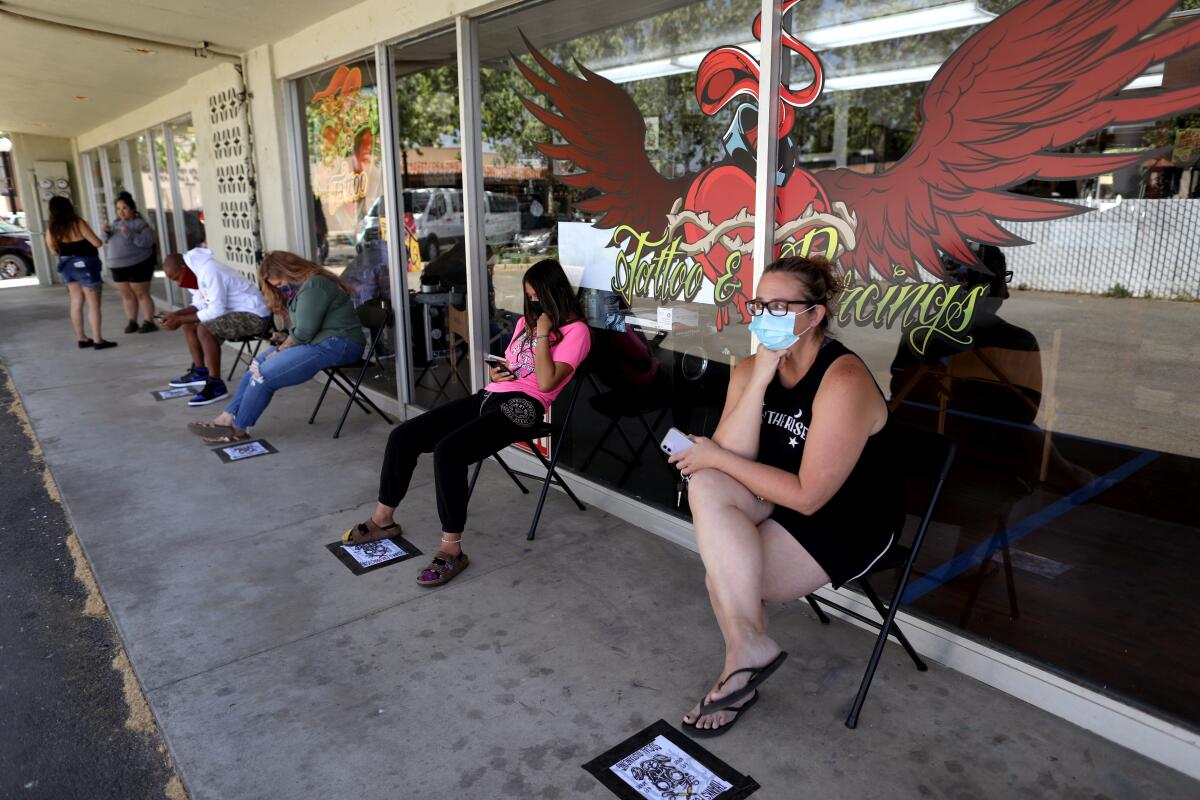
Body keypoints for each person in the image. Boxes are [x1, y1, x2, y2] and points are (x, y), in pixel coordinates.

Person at [668, 255, 903, 737]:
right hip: (775, 492)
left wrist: (717, 458)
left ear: (814, 315)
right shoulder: (754, 367)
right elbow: (728, 458)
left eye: (778, 306)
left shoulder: (843, 380)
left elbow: (810, 497)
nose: (762, 316)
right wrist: (759, 378)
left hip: (846, 516)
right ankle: (748, 652)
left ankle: (740, 669)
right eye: (758, 304)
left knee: (726, 579)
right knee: (708, 483)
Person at [342, 259, 590, 587]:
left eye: (535, 296)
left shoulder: (577, 333)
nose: (531, 303)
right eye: (528, 296)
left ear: (553, 294)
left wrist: (543, 335)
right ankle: (383, 520)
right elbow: (515, 366)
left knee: (450, 452)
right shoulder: (524, 324)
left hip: (525, 407)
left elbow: (545, 383)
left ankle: (451, 548)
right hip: (489, 396)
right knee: (404, 435)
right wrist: (497, 371)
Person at [188, 251, 365, 444]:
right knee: (254, 367)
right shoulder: (308, 286)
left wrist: (281, 349)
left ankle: (239, 428)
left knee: (263, 374)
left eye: (279, 284)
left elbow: (305, 332)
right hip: (321, 342)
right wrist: (286, 338)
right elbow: (308, 329)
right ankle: (226, 417)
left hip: (340, 344)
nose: (281, 288)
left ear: (289, 270)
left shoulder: (316, 284)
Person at [159, 248, 272, 406]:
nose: (178, 284)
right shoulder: (195, 271)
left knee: (205, 329)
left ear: (184, 268)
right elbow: (200, 303)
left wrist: (179, 319)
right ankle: (200, 372)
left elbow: (216, 310)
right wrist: (176, 315)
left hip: (256, 316)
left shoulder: (209, 271)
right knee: (189, 324)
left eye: (177, 278)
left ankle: (215, 385)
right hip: (235, 313)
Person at [44, 195, 116, 349]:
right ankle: (98, 340)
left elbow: (54, 251)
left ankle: (82, 338)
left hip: (67, 266)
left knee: (76, 302)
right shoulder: (77, 222)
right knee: (93, 304)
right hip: (86, 265)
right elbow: (97, 242)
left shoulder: (52, 228)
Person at [102, 191, 158, 333]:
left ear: (132, 208)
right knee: (126, 295)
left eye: (124, 208)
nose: (121, 211)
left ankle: (148, 322)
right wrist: (106, 233)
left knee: (141, 294)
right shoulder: (115, 224)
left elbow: (146, 242)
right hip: (117, 265)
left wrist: (129, 233)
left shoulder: (141, 225)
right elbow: (106, 241)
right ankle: (132, 321)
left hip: (138, 263)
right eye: (118, 209)